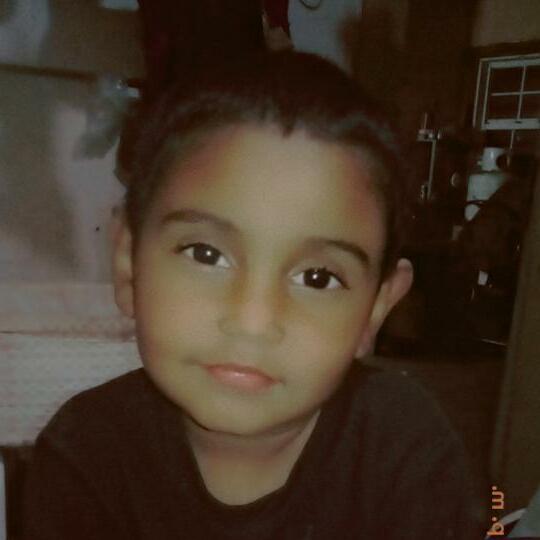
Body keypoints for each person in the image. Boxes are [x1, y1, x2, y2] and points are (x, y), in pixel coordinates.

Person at [21, 51, 483, 539]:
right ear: (128, 264)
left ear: (375, 310)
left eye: (318, 278)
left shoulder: (406, 451)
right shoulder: (84, 454)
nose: (253, 320)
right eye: (205, 254)